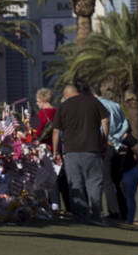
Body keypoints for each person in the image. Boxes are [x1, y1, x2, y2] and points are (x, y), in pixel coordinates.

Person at [52, 80, 109, 224]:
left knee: (75, 184)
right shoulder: (93, 102)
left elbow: (56, 131)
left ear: (66, 95)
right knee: (94, 183)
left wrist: (55, 152)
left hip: (71, 152)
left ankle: (80, 216)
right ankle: (96, 215)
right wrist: (104, 138)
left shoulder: (63, 106)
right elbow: (105, 120)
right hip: (92, 149)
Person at [95, 87, 129, 219]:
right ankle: (124, 212)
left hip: (106, 146)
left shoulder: (97, 106)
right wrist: (117, 140)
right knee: (118, 179)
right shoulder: (115, 105)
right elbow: (125, 124)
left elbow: (101, 126)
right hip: (118, 146)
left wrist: (109, 140)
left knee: (107, 180)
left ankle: (114, 212)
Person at [33, 87, 62, 212]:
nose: (37, 103)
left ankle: (43, 203)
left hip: (43, 148)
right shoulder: (57, 112)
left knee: (38, 177)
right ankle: (55, 203)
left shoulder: (40, 114)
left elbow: (36, 132)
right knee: (53, 177)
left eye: (38, 101)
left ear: (43, 100)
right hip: (56, 147)